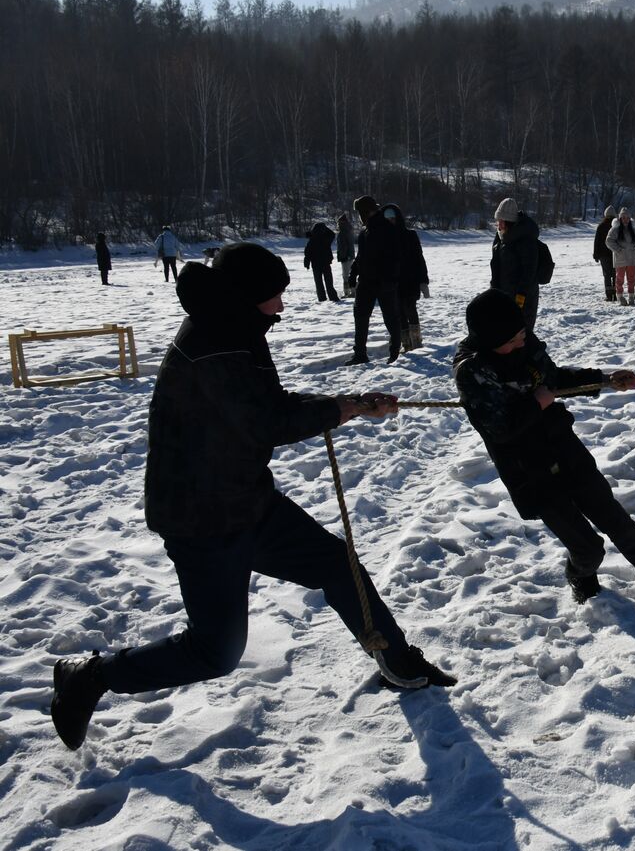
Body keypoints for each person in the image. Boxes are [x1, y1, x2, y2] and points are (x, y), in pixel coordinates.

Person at [49, 243, 454, 751]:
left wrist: (348, 403)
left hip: (244, 499)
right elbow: (266, 422)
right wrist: (343, 412)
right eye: (275, 296)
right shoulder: (214, 342)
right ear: (247, 297)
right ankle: (90, 675)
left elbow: (269, 404)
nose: (282, 306)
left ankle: (396, 659)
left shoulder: (236, 326)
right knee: (215, 652)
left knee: (334, 562)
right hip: (202, 519)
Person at [452, 289, 635, 602]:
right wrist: (537, 403)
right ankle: (582, 578)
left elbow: (554, 377)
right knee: (587, 546)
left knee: (615, 518)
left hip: (563, 446)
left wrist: (604, 378)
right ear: (490, 338)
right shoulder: (473, 370)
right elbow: (499, 429)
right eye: (513, 339)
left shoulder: (524, 344)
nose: (522, 342)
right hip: (529, 470)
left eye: (523, 334)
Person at [346, 195, 402, 365]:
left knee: (391, 318)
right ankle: (360, 354)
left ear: (366, 212)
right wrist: (353, 273)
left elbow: (396, 257)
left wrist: (390, 279)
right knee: (360, 316)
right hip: (366, 282)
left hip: (384, 282)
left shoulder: (387, 229)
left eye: (359, 213)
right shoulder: (365, 231)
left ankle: (395, 354)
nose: (358, 217)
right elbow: (361, 257)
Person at [490, 197, 543, 329]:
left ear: (509, 222)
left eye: (501, 221)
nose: (498, 225)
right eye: (498, 221)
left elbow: (529, 272)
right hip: (504, 295)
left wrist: (520, 300)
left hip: (523, 299)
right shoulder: (501, 238)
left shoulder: (525, 240)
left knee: (522, 333)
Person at [388, 204, 428, 350]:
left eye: (393, 217)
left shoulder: (410, 235)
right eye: (387, 217)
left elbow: (419, 258)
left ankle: (416, 342)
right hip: (393, 283)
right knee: (398, 313)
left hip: (410, 281)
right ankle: (406, 343)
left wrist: (423, 280)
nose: (390, 220)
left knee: (410, 309)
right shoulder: (384, 238)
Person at [606, 207, 635, 306]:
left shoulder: (633, 229)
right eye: (623, 218)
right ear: (620, 218)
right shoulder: (615, 229)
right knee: (619, 279)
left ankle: (631, 297)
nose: (625, 220)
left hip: (633, 258)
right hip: (620, 259)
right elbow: (608, 241)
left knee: (631, 279)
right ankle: (620, 297)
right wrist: (618, 250)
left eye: (627, 218)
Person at [303, 221, 340, 302]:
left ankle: (321, 298)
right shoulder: (326, 238)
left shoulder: (312, 239)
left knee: (318, 282)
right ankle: (333, 297)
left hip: (315, 264)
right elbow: (332, 234)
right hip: (325, 263)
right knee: (329, 281)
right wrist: (326, 228)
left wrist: (307, 263)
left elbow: (307, 252)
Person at [594, 206, 617, 302]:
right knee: (615, 274)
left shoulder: (601, 226)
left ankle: (609, 295)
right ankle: (616, 294)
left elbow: (597, 242)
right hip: (615, 253)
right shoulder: (617, 226)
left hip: (603, 254)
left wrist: (596, 254)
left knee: (606, 275)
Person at [336, 213, 356, 298]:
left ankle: (349, 292)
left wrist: (343, 256)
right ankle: (351, 291)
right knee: (350, 274)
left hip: (346, 256)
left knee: (346, 275)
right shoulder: (349, 230)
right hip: (350, 255)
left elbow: (343, 246)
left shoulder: (343, 232)